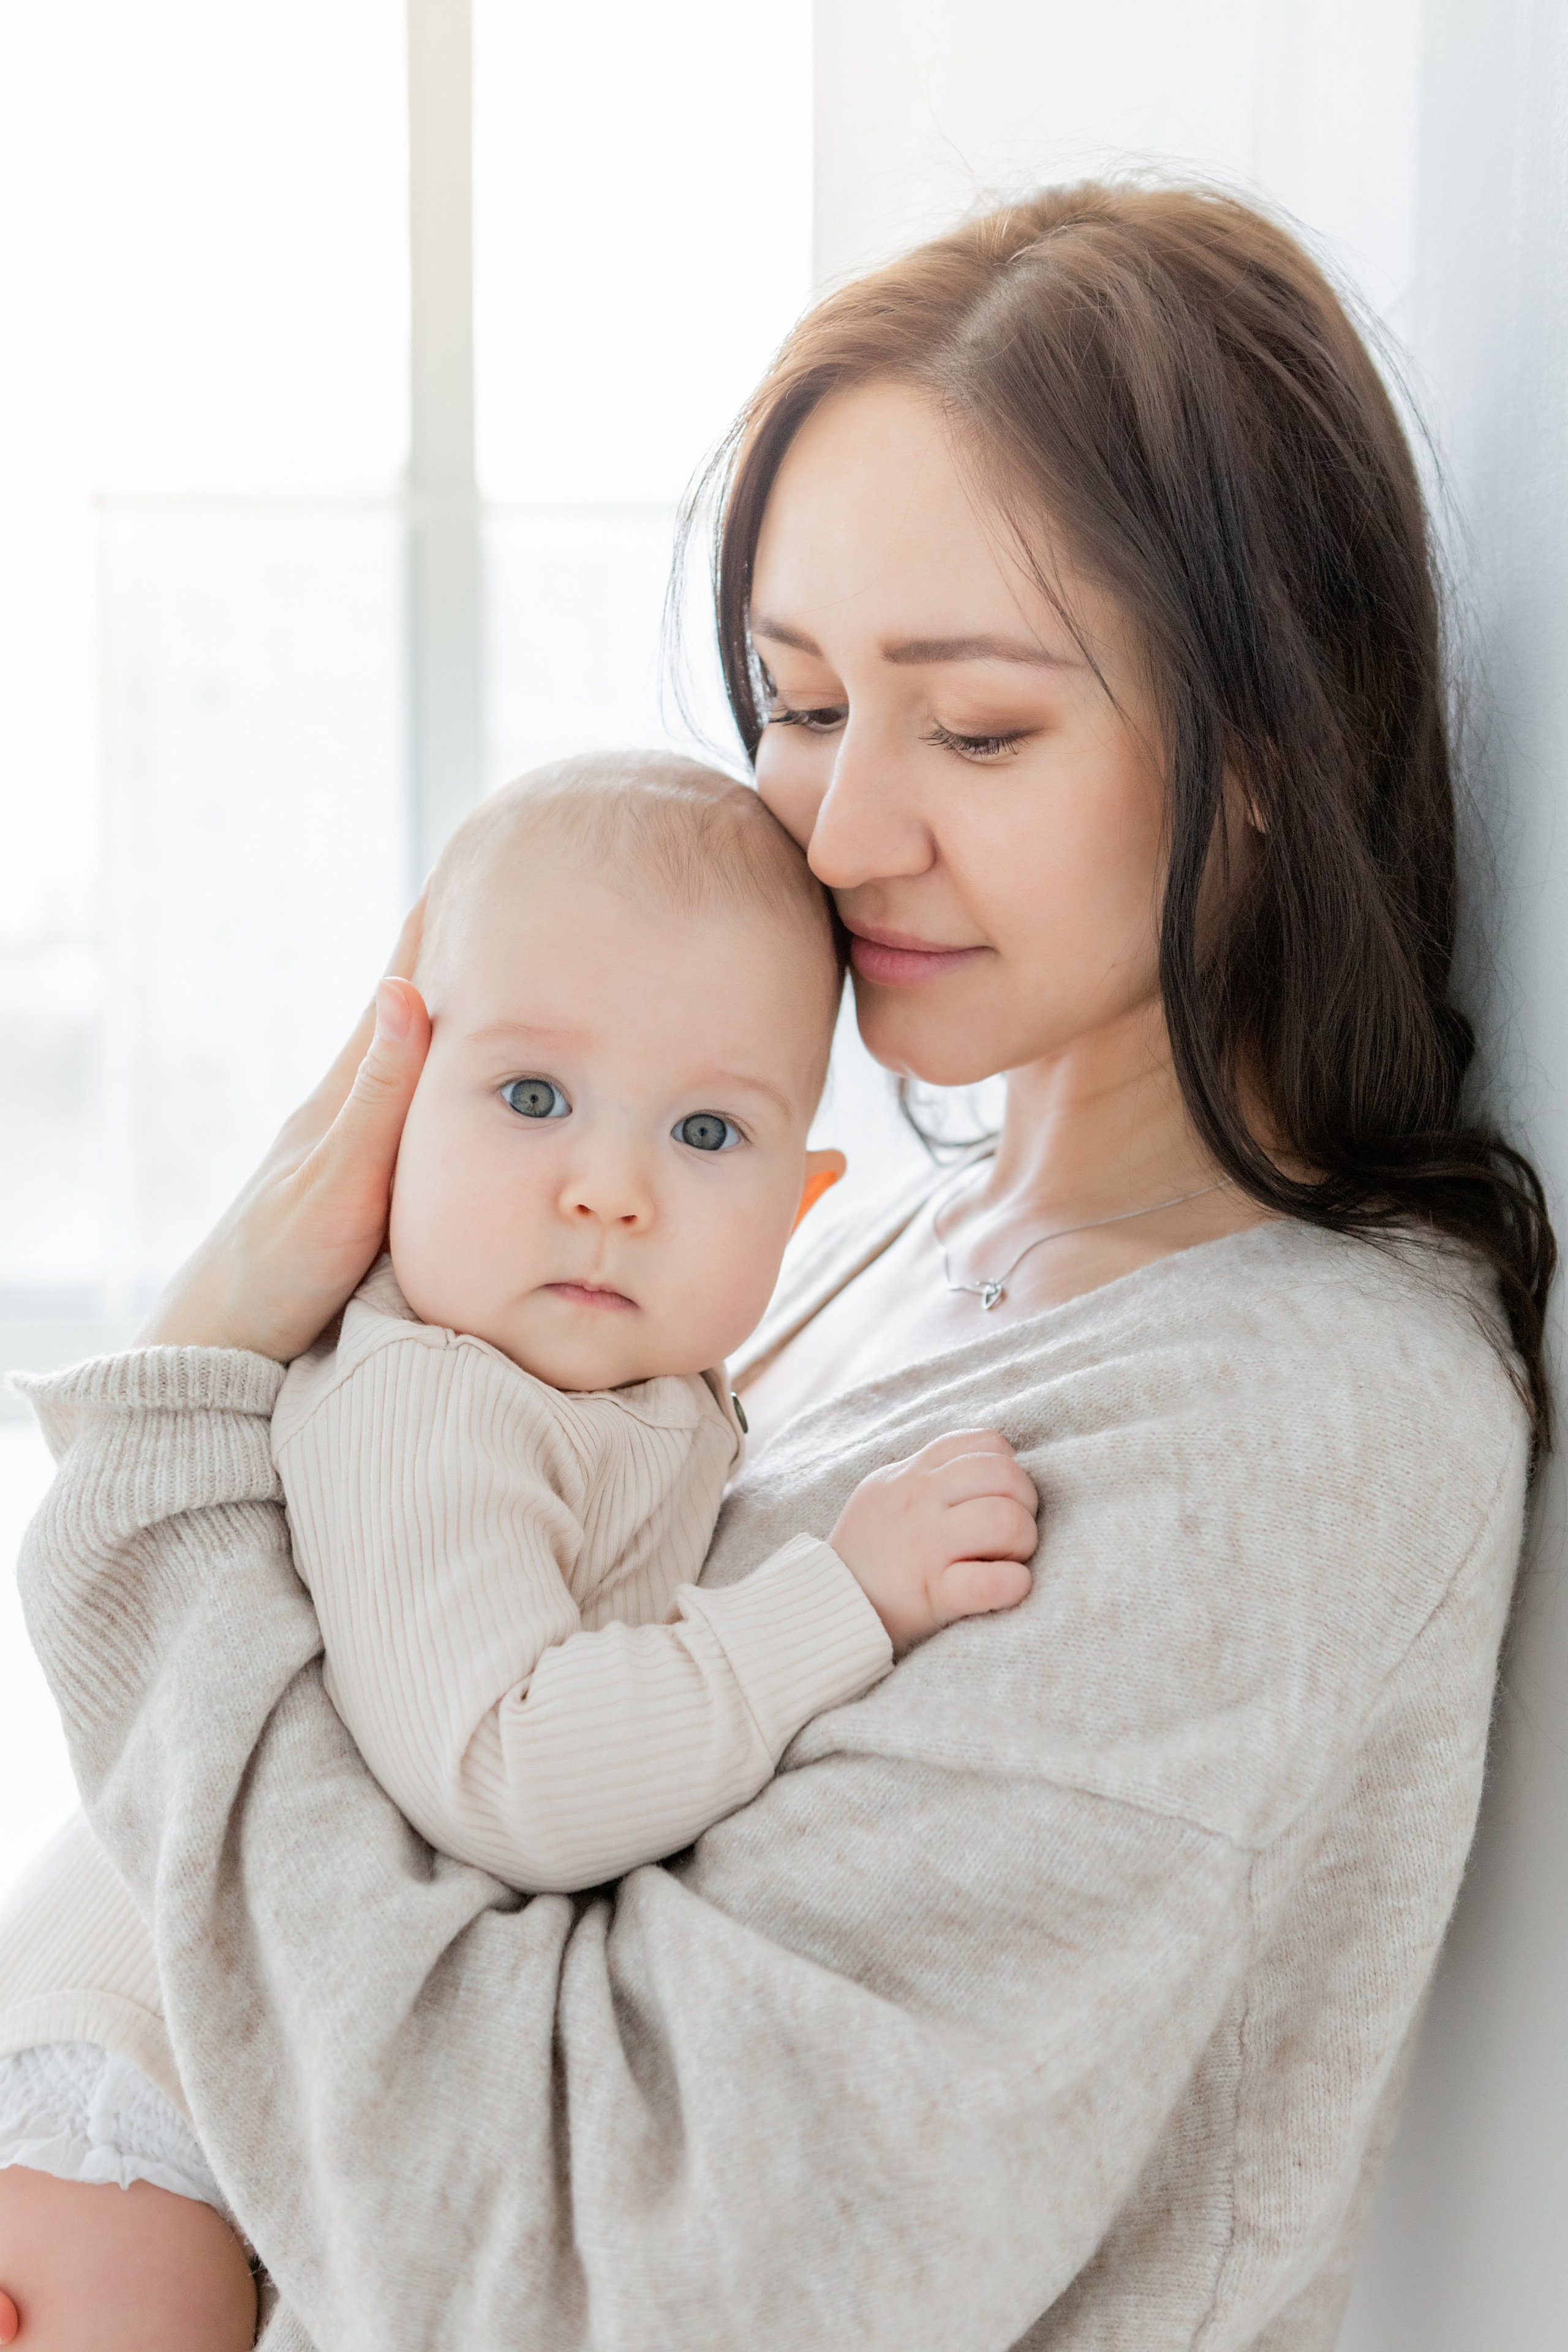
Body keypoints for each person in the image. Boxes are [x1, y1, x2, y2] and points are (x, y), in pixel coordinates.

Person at [0, 179, 1554, 2351]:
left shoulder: (1292, 1428)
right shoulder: (860, 1249)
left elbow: (596, 2260)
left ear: (1274, 746)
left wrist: (170, 1478)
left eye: (980, 730)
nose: (834, 834)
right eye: (799, 700)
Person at [0, 750, 1039, 2310]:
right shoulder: (436, 1404)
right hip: (134, 2089)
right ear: (395, 1108)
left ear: (801, 1198)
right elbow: (514, 1773)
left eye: (705, 1135)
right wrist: (845, 1600)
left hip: (249, 2026)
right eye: (533, 1098)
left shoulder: (642, 1383)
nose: (610, 1188)